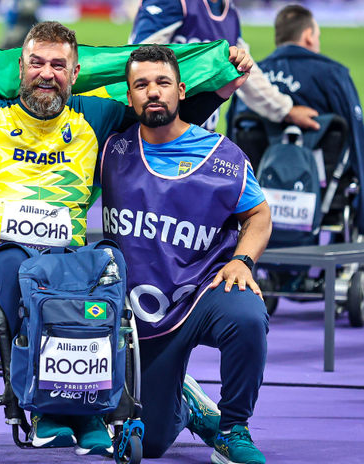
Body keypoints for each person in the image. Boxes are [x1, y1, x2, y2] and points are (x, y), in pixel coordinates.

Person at [0, 11, 252, 457]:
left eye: (58, 65)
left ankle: (92, 407)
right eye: (37, 63)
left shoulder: (94, 116)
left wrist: (223, 86)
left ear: (74, 74)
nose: (47, 73)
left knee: (107, 269)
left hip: (67, 260)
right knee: (24, 268)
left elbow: (159, 116)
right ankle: (52, 409)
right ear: (21, 67)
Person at [100, 44, 271, 464]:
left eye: (162, 83)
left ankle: (233, 430)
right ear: (129, 96)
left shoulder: (223, 157)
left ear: (181, 90)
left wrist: (242, 260)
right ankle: (188, 405)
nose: (152, 92)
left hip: (203, 291)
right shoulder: (109, 151)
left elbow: (260, 214)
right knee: (151, 445)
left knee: (248, 314)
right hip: (140, 314)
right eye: (141, 84)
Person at [237, 4, 364, 238]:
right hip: (320, 195)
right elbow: (357, 141)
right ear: (309, 36)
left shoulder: (250, 77)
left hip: (257, 194)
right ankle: (340, 262)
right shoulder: (333, 74)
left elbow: (235, 132)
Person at [129, 0, 320, 132]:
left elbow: (245, 71)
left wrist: (285, 109)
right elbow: (136, 59)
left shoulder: (230, 13)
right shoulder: (175, 3)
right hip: (159, 133)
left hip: (199, 132)